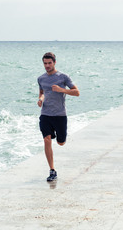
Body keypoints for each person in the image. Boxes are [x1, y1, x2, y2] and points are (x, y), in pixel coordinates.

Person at [37, 52, 80, 181]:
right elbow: (42, 92)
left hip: (60, 115)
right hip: (45, 114)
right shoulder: (41, 79)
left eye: (49, 63)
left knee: (61, 142)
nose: (47, 66)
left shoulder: (63, 77)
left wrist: (62, 90)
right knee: (46, 140)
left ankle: (56, 136)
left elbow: (77, 92)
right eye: (45, 63)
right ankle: (52, 170)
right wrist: (40, 99)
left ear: (54, 62)